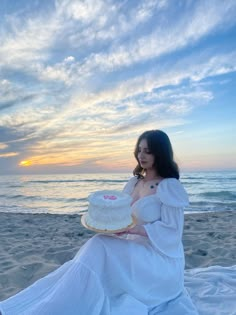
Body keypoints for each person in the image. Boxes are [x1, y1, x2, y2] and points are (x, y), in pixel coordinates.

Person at [0, 130, 198, 315]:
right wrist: (113, 226)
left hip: (159, 258)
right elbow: (122, 215)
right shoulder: (134, 182)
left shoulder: (169, 187)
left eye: (148, 151)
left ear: (160, 153)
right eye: (139, 150)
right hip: (133, 248)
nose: (141, 155)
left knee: (99, 244)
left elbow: (172, 232)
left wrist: (136, 229)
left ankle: (71, 300)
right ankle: (65, 297)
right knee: (99, 240)